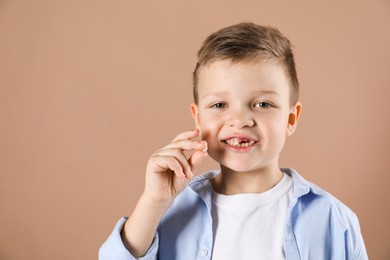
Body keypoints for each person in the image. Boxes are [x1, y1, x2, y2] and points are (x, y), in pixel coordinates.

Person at [99, 22, 368, 260]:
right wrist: (154, 200)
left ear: (291, 118)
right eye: (219, 104)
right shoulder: (168, 211)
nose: (239, 120)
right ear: (198, 117)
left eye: (262, 104)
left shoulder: (333, 219)